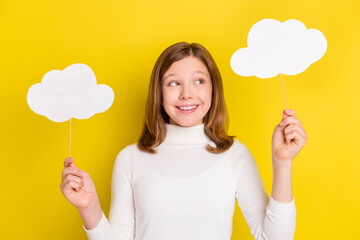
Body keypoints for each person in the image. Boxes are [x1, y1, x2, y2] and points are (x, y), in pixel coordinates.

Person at [60, 42, 307, 240]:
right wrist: (89, 206)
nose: (187, 93)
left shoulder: (235, 155)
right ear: (159, 94)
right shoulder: (130, 158)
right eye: (174, 83)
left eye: (199, 81)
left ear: (213, 90)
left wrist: (282, 161)